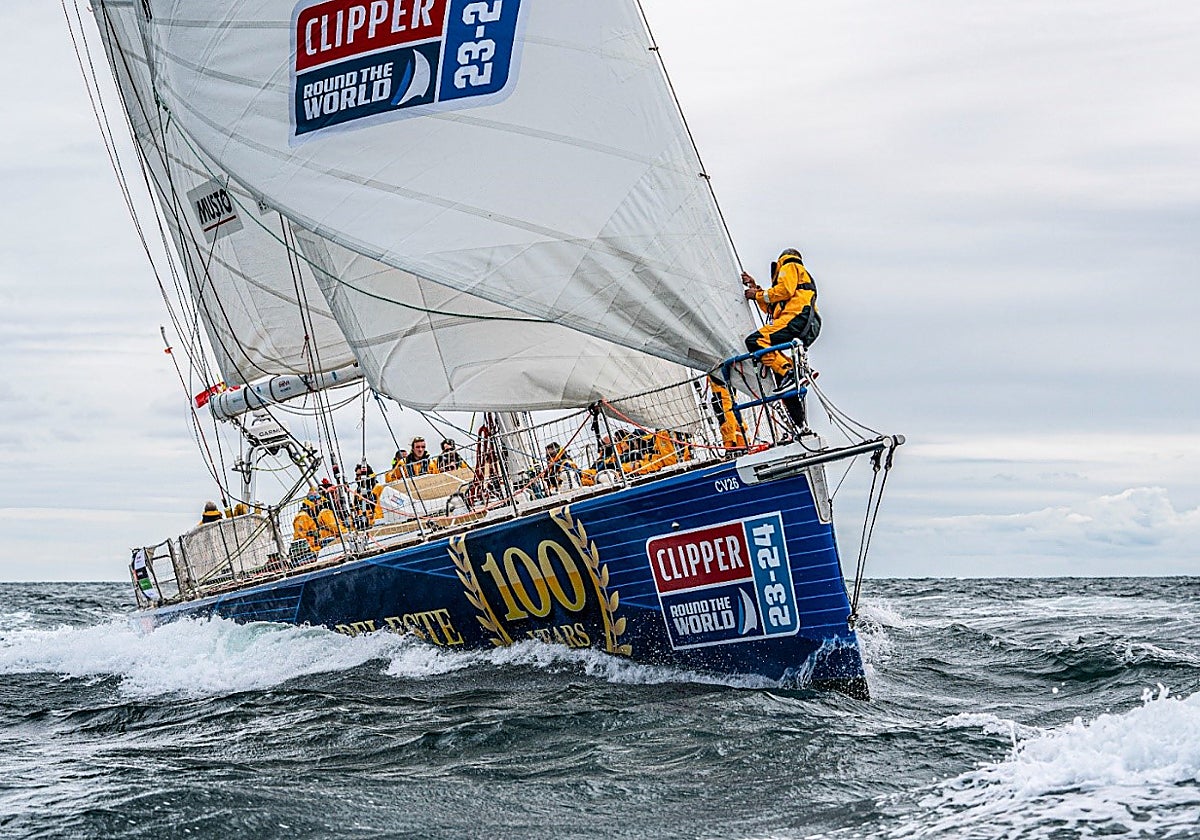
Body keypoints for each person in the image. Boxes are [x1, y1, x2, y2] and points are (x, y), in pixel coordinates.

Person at [742, 248, 821, 426]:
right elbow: (773, 307)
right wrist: (755, 290)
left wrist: (758, 295)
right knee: (773, 357)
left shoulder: (789, 263)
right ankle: (790, 376)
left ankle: (788, 371)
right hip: (803, 320)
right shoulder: (799, 283)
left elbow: (784, 290)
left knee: (755, 341)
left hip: (797, 317)